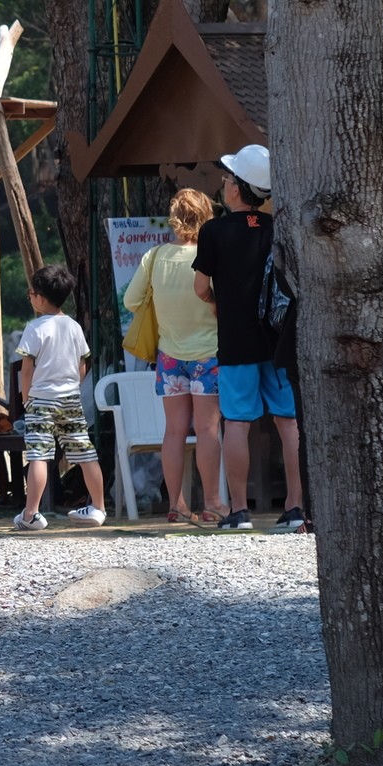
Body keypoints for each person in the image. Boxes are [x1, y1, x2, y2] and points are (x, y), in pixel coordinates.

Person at [193, 144, 304, 532]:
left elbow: (200, 287)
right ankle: (295, 507)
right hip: (278, 341)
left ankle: (239, 510)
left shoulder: (213, 232)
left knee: (237, 423)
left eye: (227, 179)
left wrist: (216, 299)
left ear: (238, 189)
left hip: (236, 341)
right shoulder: (277, 229)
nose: (224, 184)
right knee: (289, 423)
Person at [122, 188, 225, 524]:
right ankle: (212, 502)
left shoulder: (154, 257)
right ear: (206, 215)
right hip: (208, 353)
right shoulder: (212, 255)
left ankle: (177, 503)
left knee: (174, 431)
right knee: (208, 429)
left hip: (168, 355)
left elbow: (131, 302)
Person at [11, 264, 103, 530]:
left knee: (39, 456)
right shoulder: (73, 326)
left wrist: (26, 398)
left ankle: (31, 515)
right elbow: (82, 365)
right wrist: (73, 386)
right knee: (85, 453)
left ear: (40, 297)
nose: (30, 296)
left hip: (41, 400)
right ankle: (98, 508)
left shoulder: (35, 327)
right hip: (70, 398)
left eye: (31, 292)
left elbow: (27, 369)